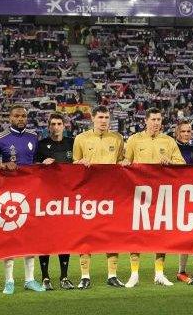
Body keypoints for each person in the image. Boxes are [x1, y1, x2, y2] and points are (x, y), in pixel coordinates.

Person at [0, 105, 46, 294]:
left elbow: (35, 162)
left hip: (30, 192)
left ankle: (30, 279)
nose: (20, 118)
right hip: (8, 195)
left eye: (23, 116)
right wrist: (2, 164)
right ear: (9, 118)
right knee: (9, 237)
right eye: (17, 116)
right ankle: (9, 280)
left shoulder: (33, 137)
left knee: (31, 238)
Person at [122, 108, 185, 287]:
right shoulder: (134, 139)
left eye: (159, 119)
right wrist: (126, 163)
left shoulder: (169, 141)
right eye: (154, 119)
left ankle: (159, 273)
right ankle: (134, 274)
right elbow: (125, 162)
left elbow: (182, 164)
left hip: (161, 195)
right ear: (146, 121)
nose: (157, 122)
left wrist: (171, 162)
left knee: (160, 235)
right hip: (138, 195)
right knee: (136, 234)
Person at [72, 107, 125, 289]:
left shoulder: (117, 138)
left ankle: (112, 275)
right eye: (100, 117)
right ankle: (85, 276)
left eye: (107, 117)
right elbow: (73, 165)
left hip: (111, 194)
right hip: (89, 195)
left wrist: (123, 163)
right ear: (93, 118)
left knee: (112, 235)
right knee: (86, 235)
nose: (104, 120)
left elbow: (120, 162)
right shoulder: (81, 139)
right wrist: (78, 163)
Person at [35, 113, 76, 290]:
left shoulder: (72, 143)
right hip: (46, 198)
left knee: (64, 238)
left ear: (64, 126)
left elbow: (78, 165)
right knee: (45, 238)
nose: (56, 126)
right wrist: (41, 163)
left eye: (59, 123)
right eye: (53, 124)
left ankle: (64, 277)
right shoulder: (41, 145)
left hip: (66, 198)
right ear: (48, 127)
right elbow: (31, 168)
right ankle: (45, 277)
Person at [171, 120, 193, 284]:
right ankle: (159, 272)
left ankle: (181, 271)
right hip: (171, 195)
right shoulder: (170, 147)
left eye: (189, 131)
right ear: (177, 133)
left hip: (189, 197)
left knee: (188, 234)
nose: (186, 134)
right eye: (183, 131)